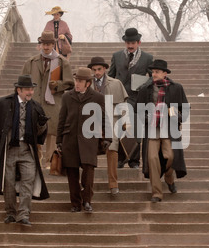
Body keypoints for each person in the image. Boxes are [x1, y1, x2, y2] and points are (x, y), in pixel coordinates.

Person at [0, 75, 50, 225]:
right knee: (9, 183)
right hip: (8, 150)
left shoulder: (36, 107)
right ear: (18, 90)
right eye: (27, 89)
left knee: (28, 180)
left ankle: (24, 214)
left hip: (27, 150)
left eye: (32, 89)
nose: (30, 92)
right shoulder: (2, 104)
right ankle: (11, 212)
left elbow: (39, 135)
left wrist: (42, 125)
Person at [56, 67, 111, 213]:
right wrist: (58, 141)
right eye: (76, 80)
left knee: (88, 171)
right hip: (70, 139)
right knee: (72, 174)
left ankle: (87, 201)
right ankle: (75, 203)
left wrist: (108, 137)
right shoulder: (67, 97)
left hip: (89, 140)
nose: (77, 83)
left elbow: (104, 118)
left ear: (88, 83)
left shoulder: (97, 97)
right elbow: (61, 119)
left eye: (80, 81)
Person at [136, 60, 188, 203]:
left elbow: (185, 110)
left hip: (169, 129)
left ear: (165, 73)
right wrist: (146, 116)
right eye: (153, 72)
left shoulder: (176, 88)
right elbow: (138, 110)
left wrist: (175, 114)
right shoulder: (145, 88)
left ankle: (169, 177)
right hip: (152, 129)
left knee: (171, 156)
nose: (154, 74)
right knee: (152, 159)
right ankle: (157, 193)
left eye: (157, 72)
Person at [22, 31, 74, 168]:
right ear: (41, 45)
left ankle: (50, 162)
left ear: (53, 44)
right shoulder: (31, 62)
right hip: (34, 103)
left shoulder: (62, 62)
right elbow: (22, 83)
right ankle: (36, 160)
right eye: (44, 44)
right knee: (33, 132)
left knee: (52, 133)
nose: (46, 47)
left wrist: (58, 85)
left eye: (49, 44)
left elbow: (70, 83)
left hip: (53, 103)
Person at [108, 28, 153, 169]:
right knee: (120, 128)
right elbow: (110, 76)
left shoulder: (147, 58)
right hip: (120, 98)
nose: (130, 45)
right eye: (128, 42)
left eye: (133, 42)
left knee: (136, 129)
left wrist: (143, 84)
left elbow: (153, 77)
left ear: (138, 42)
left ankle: (134, 160)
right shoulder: (117, 56)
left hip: (138, 98)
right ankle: (121, 159)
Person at [88, 56, 129, 196]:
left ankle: (113, 184)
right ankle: (88, 185)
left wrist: (124, 122)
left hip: (111, 121)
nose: (97, 72)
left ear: (105, 69)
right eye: (94, 70)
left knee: (112, 151)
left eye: (99, 69)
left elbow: (123, 105)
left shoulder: (116, 83)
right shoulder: (87, 84)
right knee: (89, 154)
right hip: (92, 122)